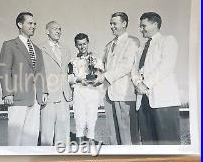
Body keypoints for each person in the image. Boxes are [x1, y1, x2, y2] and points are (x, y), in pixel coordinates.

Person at [131, 12, 181, 145]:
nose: (140, 29)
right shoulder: (141, 49)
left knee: (168, 143)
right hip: (143, 102)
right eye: (140, 26)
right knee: (149, 144)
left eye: (143, 26)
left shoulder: (168, 40)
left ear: (155, 24)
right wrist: (137, 83)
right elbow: (134, 70)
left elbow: (166, 66)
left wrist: (145, 84)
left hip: (163, 101)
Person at [0, 12, 47, 146]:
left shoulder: (37, 49)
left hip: (35, 99)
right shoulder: (9, 45)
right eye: (30, 23)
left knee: (31, 138)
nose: (33, 26)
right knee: (15, 138)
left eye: (34, 23)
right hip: (18, 98)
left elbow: (40, 72)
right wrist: (7, 93)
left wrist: (43, 92)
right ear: (20, 24)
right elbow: (4, 70)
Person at [93, 12, 140, 145]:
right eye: (110, 24)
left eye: (115, 23)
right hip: (108, 94)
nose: (111, 26)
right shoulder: (109, 45)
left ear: (124, 23)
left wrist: (104, 77)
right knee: (113, 136)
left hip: (124, 94)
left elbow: (126, 65)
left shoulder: (132, 41)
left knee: (128, 136)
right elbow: (103, 65)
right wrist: (95, 71)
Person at [40, 21, 73, 146]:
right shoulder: (40, 48)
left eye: (60, 29)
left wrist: (70, 94)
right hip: (48, 95)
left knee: (64, 133)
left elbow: (68, 72)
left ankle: (63, 160)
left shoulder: (66, 49)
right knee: (47, 134)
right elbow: (38, 73)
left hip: (64, 96)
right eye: (55, 29)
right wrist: (42, 91)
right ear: (47, 31)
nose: (58, 31)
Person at [68, 33, 104, 144]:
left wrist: (95, 74)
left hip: (92, 91)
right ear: (76, 45)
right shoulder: (72, 62)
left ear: (88, 43)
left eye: (84, 44)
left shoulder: (96, 59)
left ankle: (91, 140)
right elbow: (69, 78)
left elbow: (100, 76)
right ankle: (79, 140)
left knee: (92, 117)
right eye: (79, 44)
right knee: (79, 118)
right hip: (79, 91)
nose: (82, 47)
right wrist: (79, 80)